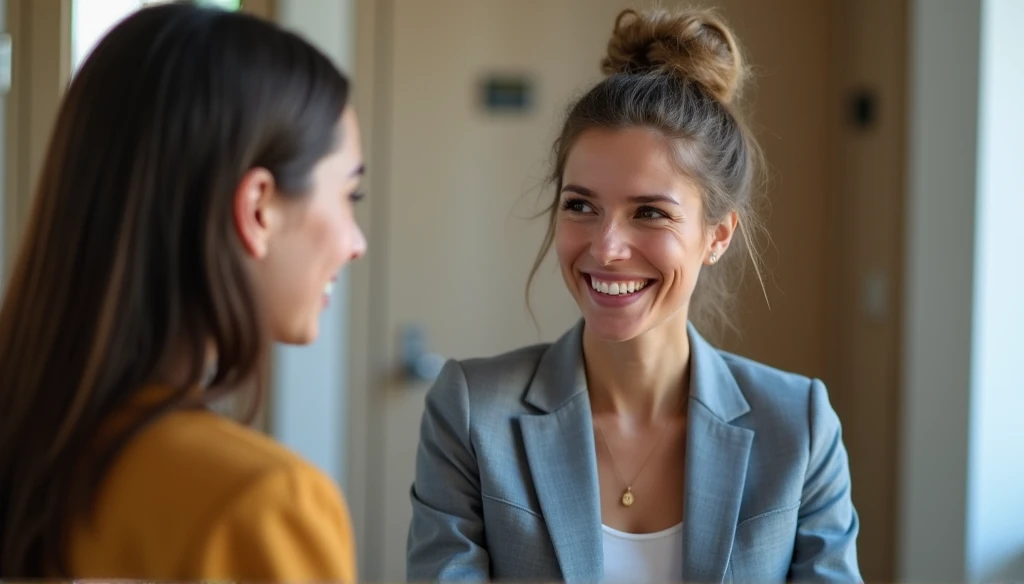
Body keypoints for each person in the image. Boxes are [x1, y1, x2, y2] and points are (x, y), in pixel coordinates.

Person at [406, 6, 860, 583]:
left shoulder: (799, 427)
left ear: (716, 236)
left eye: (650, 212)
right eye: (581, 206)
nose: (606, 247)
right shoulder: (471, 413)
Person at [0, 3, 367, 581]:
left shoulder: (33, 453)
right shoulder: (262, 504)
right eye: (350, 195)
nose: (356, 242)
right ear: (258, 208)